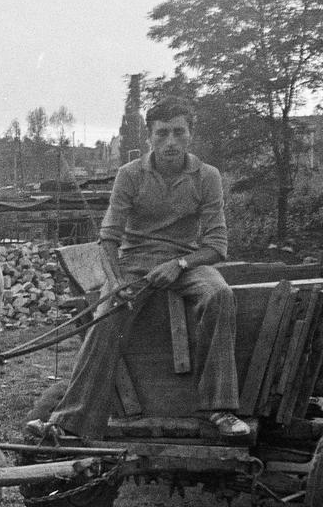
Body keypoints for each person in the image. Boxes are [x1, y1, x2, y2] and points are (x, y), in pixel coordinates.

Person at [31, 97, 251, 440]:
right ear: (149, 137)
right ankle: (70, 420)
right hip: (134, 264)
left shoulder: (207, 177)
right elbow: (108, 239)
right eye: (162, 134)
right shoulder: (130, 175)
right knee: (107, 314)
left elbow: (216, 246)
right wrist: (118, 283)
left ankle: (219, 409)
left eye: (179, 133)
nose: (171, 142)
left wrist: (178, 264)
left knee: (220, 294)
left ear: (190, 135)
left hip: (186, 262)